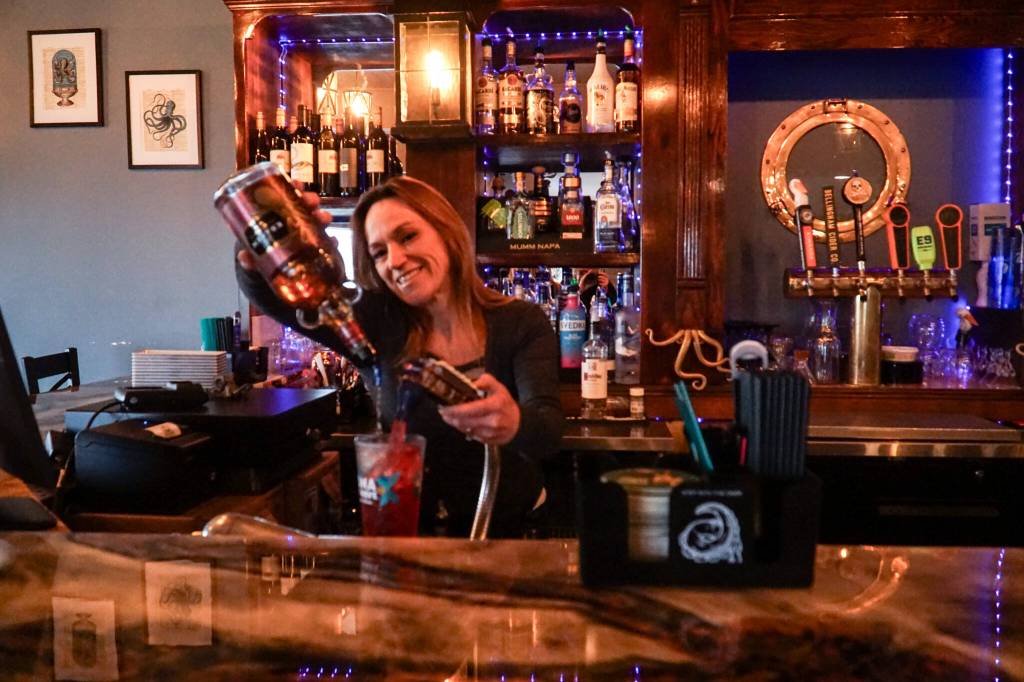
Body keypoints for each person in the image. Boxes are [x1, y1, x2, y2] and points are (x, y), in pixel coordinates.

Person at [236, 176, 563, 538]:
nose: (395, 260)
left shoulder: (520, 322)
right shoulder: (374, 323)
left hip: (511, 539)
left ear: (446, 232)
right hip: (410, 541)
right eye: (378, 252)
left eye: (407, 237)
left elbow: (547, 432)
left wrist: (514, 422)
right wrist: (258, 248)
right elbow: (276, 301)